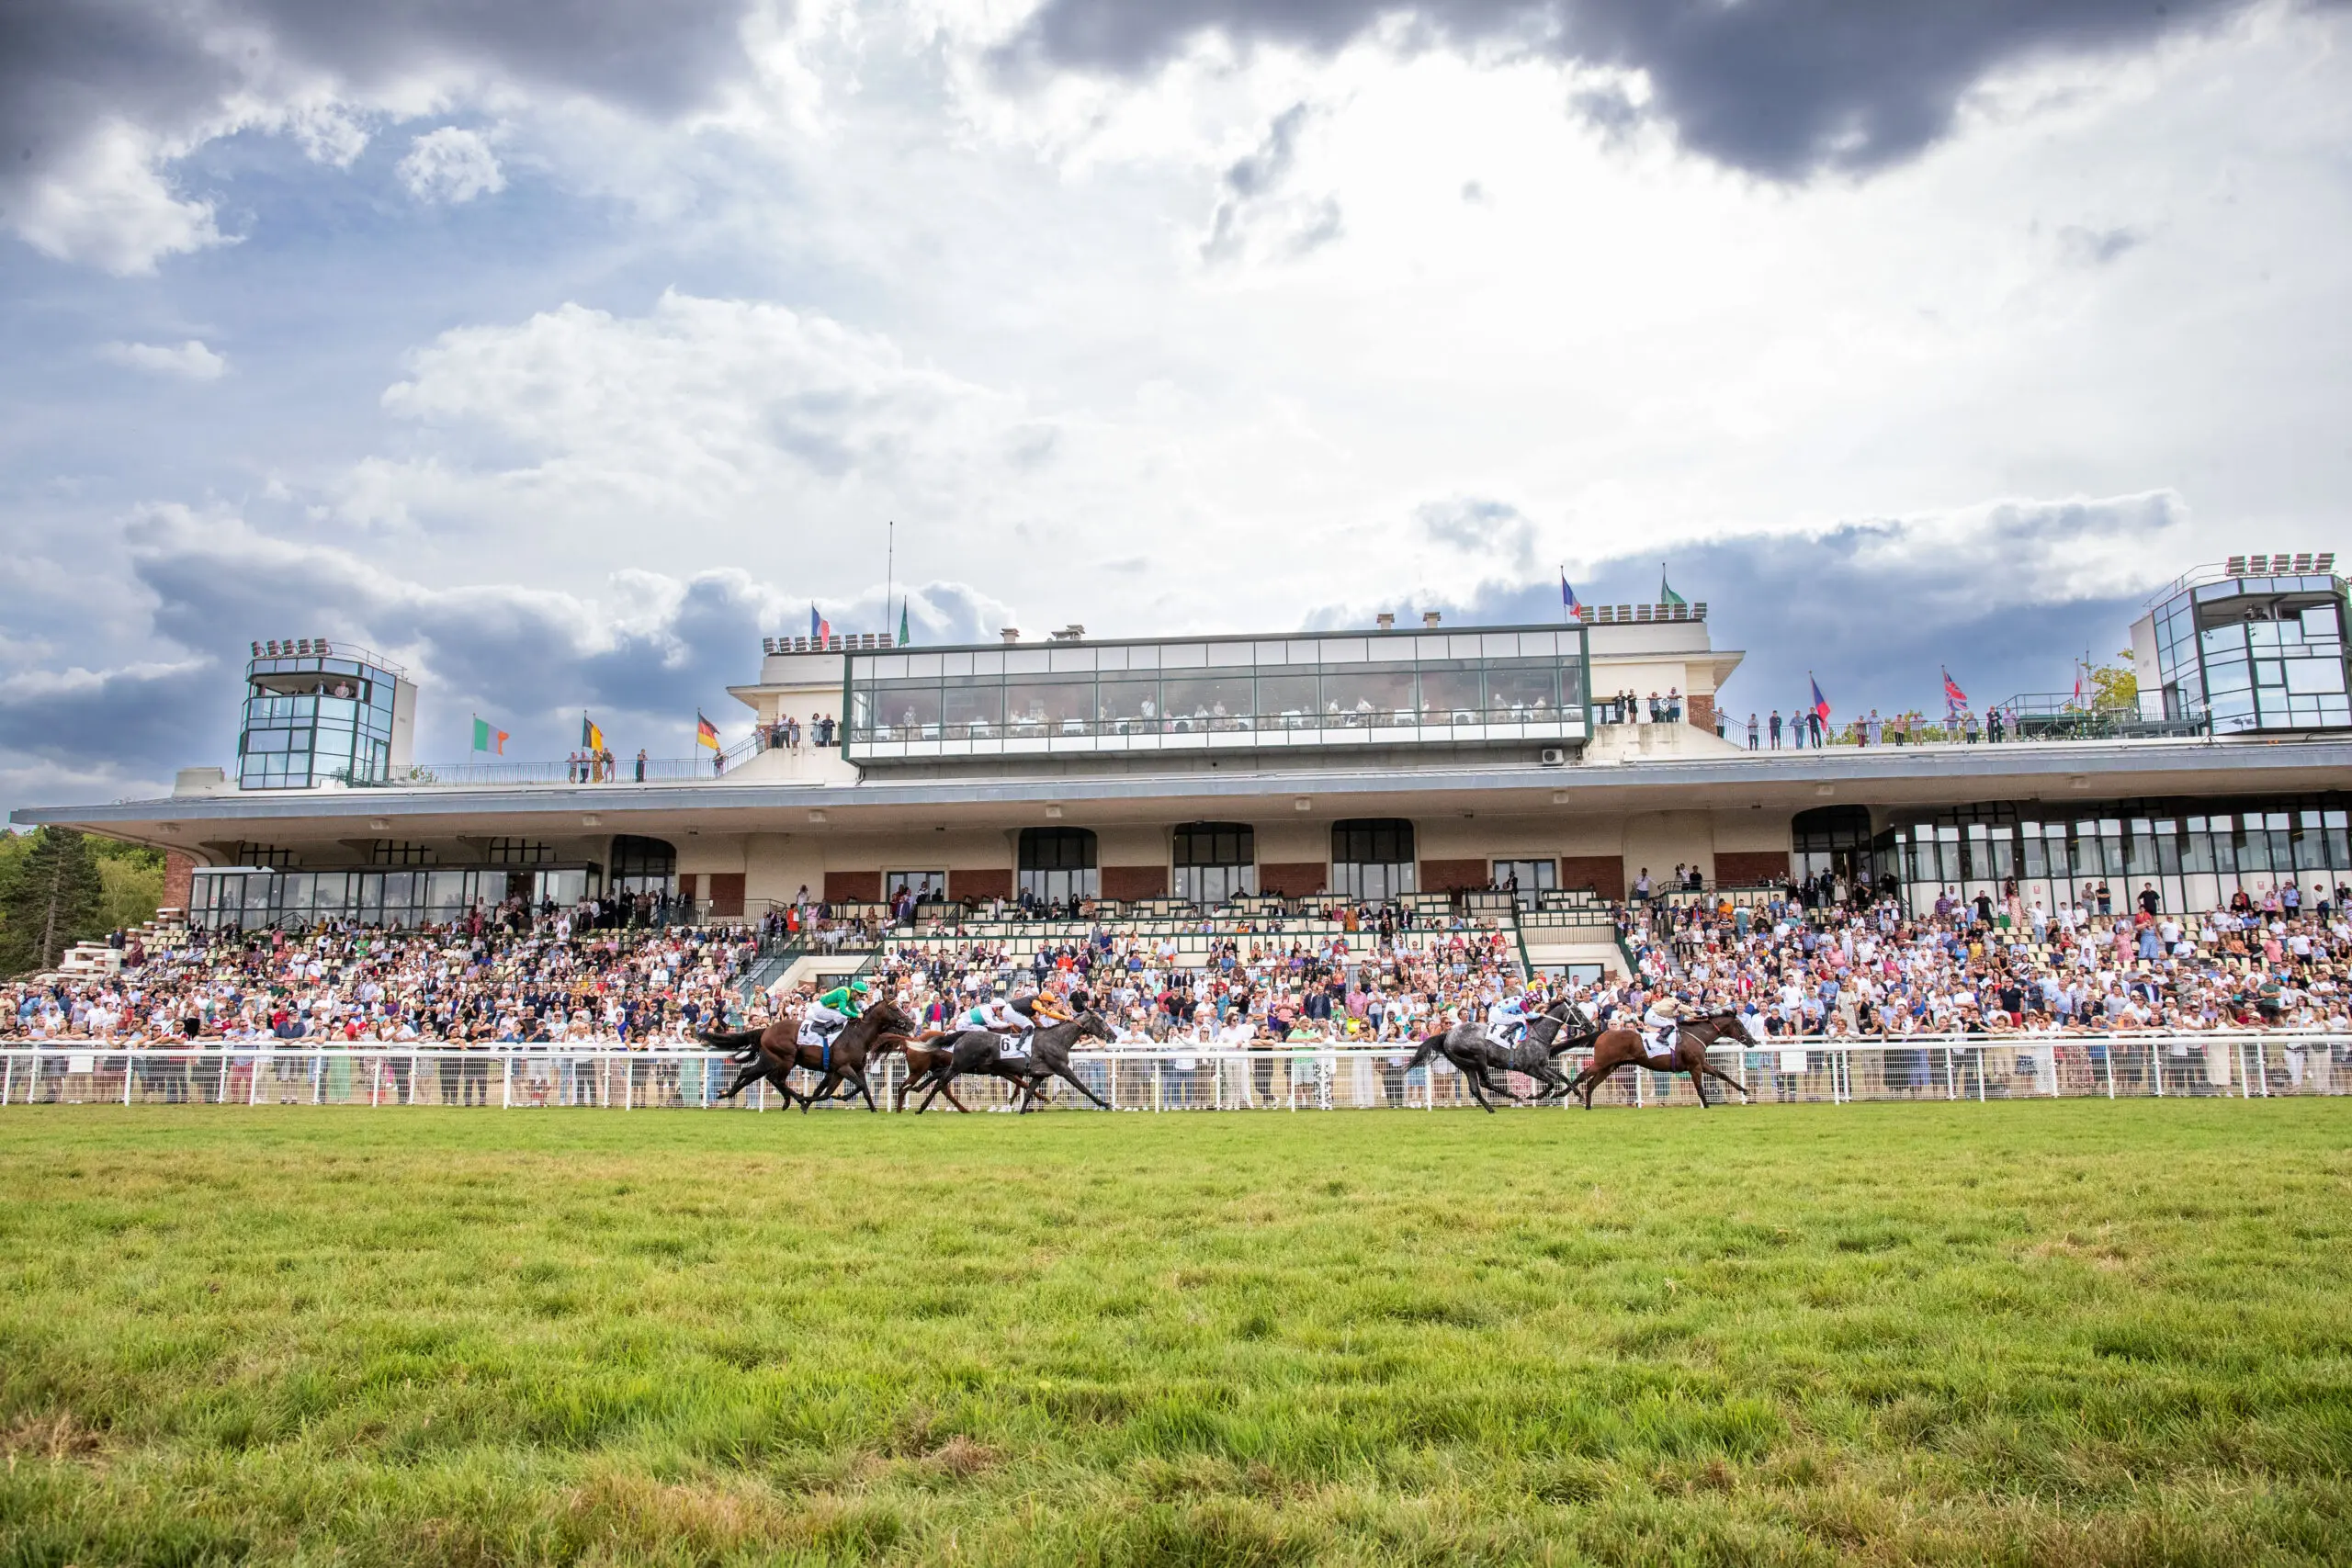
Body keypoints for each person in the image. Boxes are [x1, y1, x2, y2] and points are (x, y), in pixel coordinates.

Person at [801, 977, 871, 1051]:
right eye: (861, 995)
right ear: (855, 992)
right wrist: (856, 1015)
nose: (861, 998)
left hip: (825, 1007)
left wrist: (861, 1014)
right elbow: (843, 1010)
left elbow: (853, 1009)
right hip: (819, 1008)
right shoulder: (843, 993)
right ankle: (826, 1027)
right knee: (843, 1016)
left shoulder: (850, 996)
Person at [1643, 992, 1684, 1057]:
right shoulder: (1660, 1004)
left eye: (1668, 997)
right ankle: (1661, 1037)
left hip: (1653, 1018)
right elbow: (1669, 1013)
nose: (1666, 998)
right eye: (1665, 997)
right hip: (1652, 1017)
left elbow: (1673, 1014)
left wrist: (1676, 1009)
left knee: (1671, 1026)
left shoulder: (1668, 1005)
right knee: (1671, 1025)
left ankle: (1662, 1036)